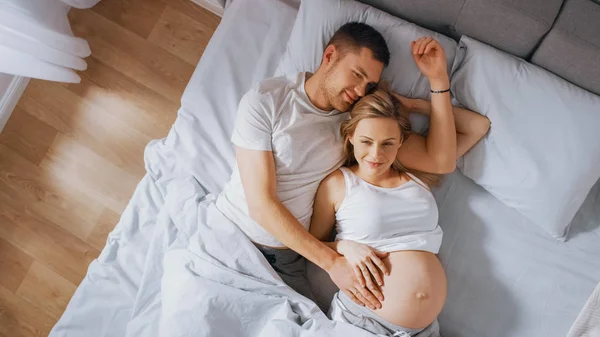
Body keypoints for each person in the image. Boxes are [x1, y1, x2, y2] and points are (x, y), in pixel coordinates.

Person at [215, 22, 460, 309]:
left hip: (289, 260)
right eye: (357, 74)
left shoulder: (360, 126)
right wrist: (333, 260)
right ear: (329, 55)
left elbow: (441, 160)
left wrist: (435, 84)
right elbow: (261, 205)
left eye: (368, 84)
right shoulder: (267, 101)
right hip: (232, 236)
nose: (359, 90)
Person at [309, 81, 490, 336]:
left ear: (401, 141)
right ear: (350, 137)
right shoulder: (338, 184)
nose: (375, 154)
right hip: (363, 321)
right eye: (366, 141)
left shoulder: (416, 175)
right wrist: (342, 247)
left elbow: (478, 127)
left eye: (387, 143)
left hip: (425, 330)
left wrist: (416, 106)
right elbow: (309, 247)